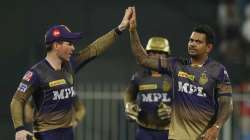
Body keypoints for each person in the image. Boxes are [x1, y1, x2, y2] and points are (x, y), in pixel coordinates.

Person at [10, 8, 133, 140]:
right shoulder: (36, 73)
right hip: (46, 135)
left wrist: (120, 28)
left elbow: (94, 49)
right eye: (69, 44)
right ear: (56, 45)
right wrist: (19, 129)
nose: (73, 48)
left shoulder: (70, 64)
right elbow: (17, 100)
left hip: (68, 134)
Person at [128, 7, 233, 140]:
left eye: (198, 41)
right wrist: (132, 31)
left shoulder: (218, 70)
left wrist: (216, 127)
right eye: (191, 40)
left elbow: (227, 103)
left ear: (209, 47)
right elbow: (143, 59)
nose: (192, 44)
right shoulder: (176, 65)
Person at [124, 36, 173, 140]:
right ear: (147, 54)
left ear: (166, 56)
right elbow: (129, 94)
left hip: (169, 131)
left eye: (160, 53)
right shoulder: (139, 76)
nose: (156, 56)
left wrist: (173, 111)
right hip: (144, 131)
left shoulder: (175, 77)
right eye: (153, 53)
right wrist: (129, 105)